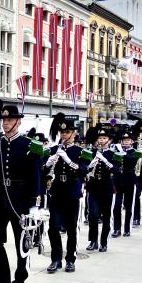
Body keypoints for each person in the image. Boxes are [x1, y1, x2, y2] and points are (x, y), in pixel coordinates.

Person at [0, 100, 42, 283]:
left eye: (10, 119)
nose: (5, 123)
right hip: (0, 200)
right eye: (4, 119)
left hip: (21, 202)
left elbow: (35, 176)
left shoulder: (28, 146)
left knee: (22, 245)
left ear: (17, 122)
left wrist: (34, 205)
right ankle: (2, 281)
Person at [43, 114, 86, 273]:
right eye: (62, 133)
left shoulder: (80, 151)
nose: (64, 135)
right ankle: (56, 259)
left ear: (73, 133)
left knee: (71, 228)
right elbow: (44, 170)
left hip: (72, 192)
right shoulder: (54, 149)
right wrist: (48, 163)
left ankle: (70, 259)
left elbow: (84, 171)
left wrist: (68, 160)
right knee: (53, 227)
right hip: (56, 191)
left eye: (67, 133)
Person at [85, 125, 114, 252]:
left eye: (104, 138)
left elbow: (117, 169)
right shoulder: (91, 153)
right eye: (100, 138)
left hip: (107, 187)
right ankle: (93, 241)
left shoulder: (113, 154)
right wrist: (90, 164)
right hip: (93, 187)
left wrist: (106, 161)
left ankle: (104, 242)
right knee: (92, 215)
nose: (101, 140)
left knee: (106, 216)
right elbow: (84, 168)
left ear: (109, 140)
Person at [111, 128, 139, 238]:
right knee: (116, 206)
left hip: (129, 181)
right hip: (118, 180)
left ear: (132, 141)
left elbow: (132, 161)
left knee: (128, 206)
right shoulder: (116, 150)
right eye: (124, 140)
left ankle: (127, 229)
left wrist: (123, 154)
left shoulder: (136, 152)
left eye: (128, 140)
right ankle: (117, 229)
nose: (126, 142)